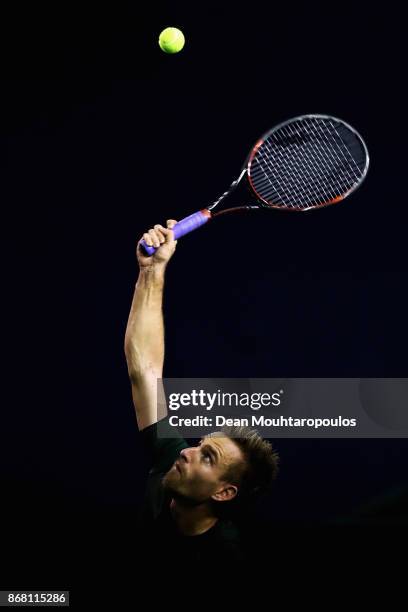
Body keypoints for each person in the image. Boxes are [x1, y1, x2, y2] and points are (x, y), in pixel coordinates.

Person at [124, 220, 280, 563]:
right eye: (200, 446)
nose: (186, 453)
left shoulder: (224, 558)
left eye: (207, 458)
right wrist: (152, 271)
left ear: (224, 492)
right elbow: (145, 371)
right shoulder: (170, 462)